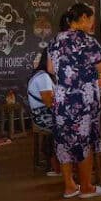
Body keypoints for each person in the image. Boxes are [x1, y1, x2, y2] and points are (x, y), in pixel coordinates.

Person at [48, 3, 101, 199]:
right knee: (84, 140)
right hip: (83, 99)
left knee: (64, 140)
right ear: (83, 18)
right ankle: (86, 187)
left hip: (62, 99)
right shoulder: (87, 41)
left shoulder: (55, 40)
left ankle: (69, 186)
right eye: (92, 17)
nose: (93, 22)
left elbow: (51, 69)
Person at [27, 47, 60, 176]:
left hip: (43, 114)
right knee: (68, 127)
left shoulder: (44, 75)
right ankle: (56, 165)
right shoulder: (44, 77)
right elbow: (50, 103)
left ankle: (58, 162)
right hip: (42, 117)